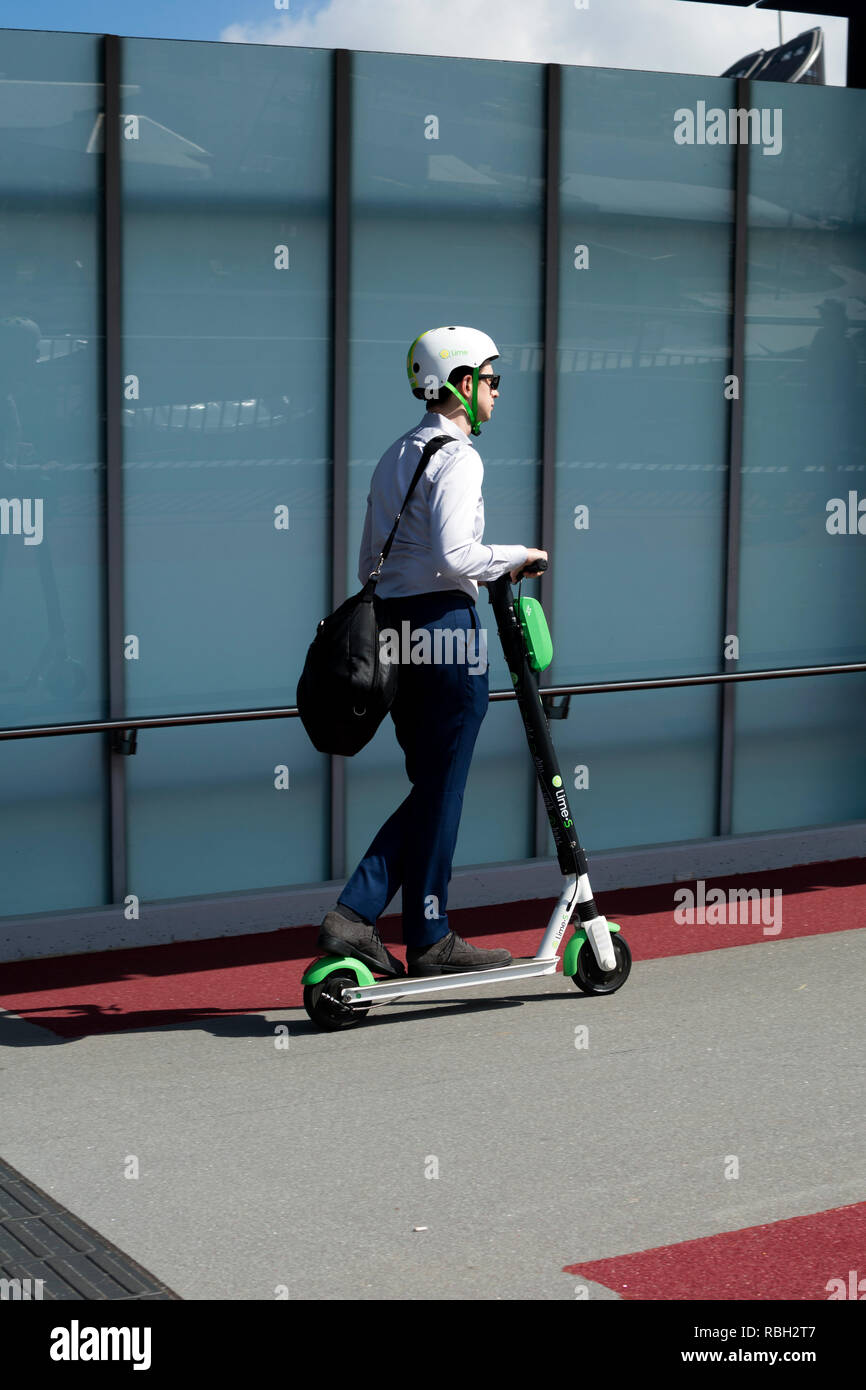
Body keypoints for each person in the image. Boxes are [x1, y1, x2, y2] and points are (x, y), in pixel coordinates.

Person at [317, 326, 548, 978]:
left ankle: (425, 931)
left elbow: (370, 560)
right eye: (492, 379)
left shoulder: (396, 453)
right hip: (446, 631)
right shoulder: (460, 456)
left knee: (433, 785)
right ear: (462, 384)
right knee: (441, 789)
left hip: (395, 630)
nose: (499, 391)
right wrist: (520, 558)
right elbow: (457, 556)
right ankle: (363, 915)